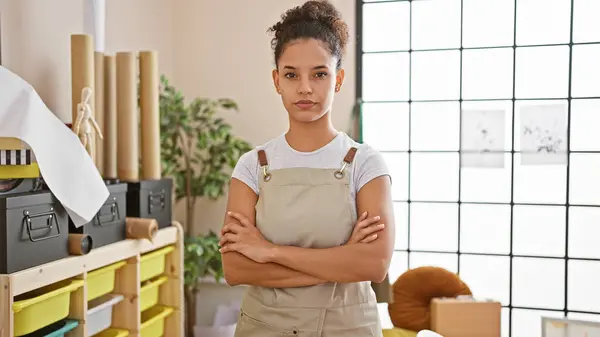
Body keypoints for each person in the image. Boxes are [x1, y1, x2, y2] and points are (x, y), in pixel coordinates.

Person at [218, 1, 395, 336]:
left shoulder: (366, 164)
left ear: (338, 79)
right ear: (276, 80)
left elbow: (375, 264)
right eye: (291, 74)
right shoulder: (252, 167)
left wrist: (268, 252)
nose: (304, 88)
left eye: (319, 74)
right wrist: (342, 261)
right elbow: (236, 268)